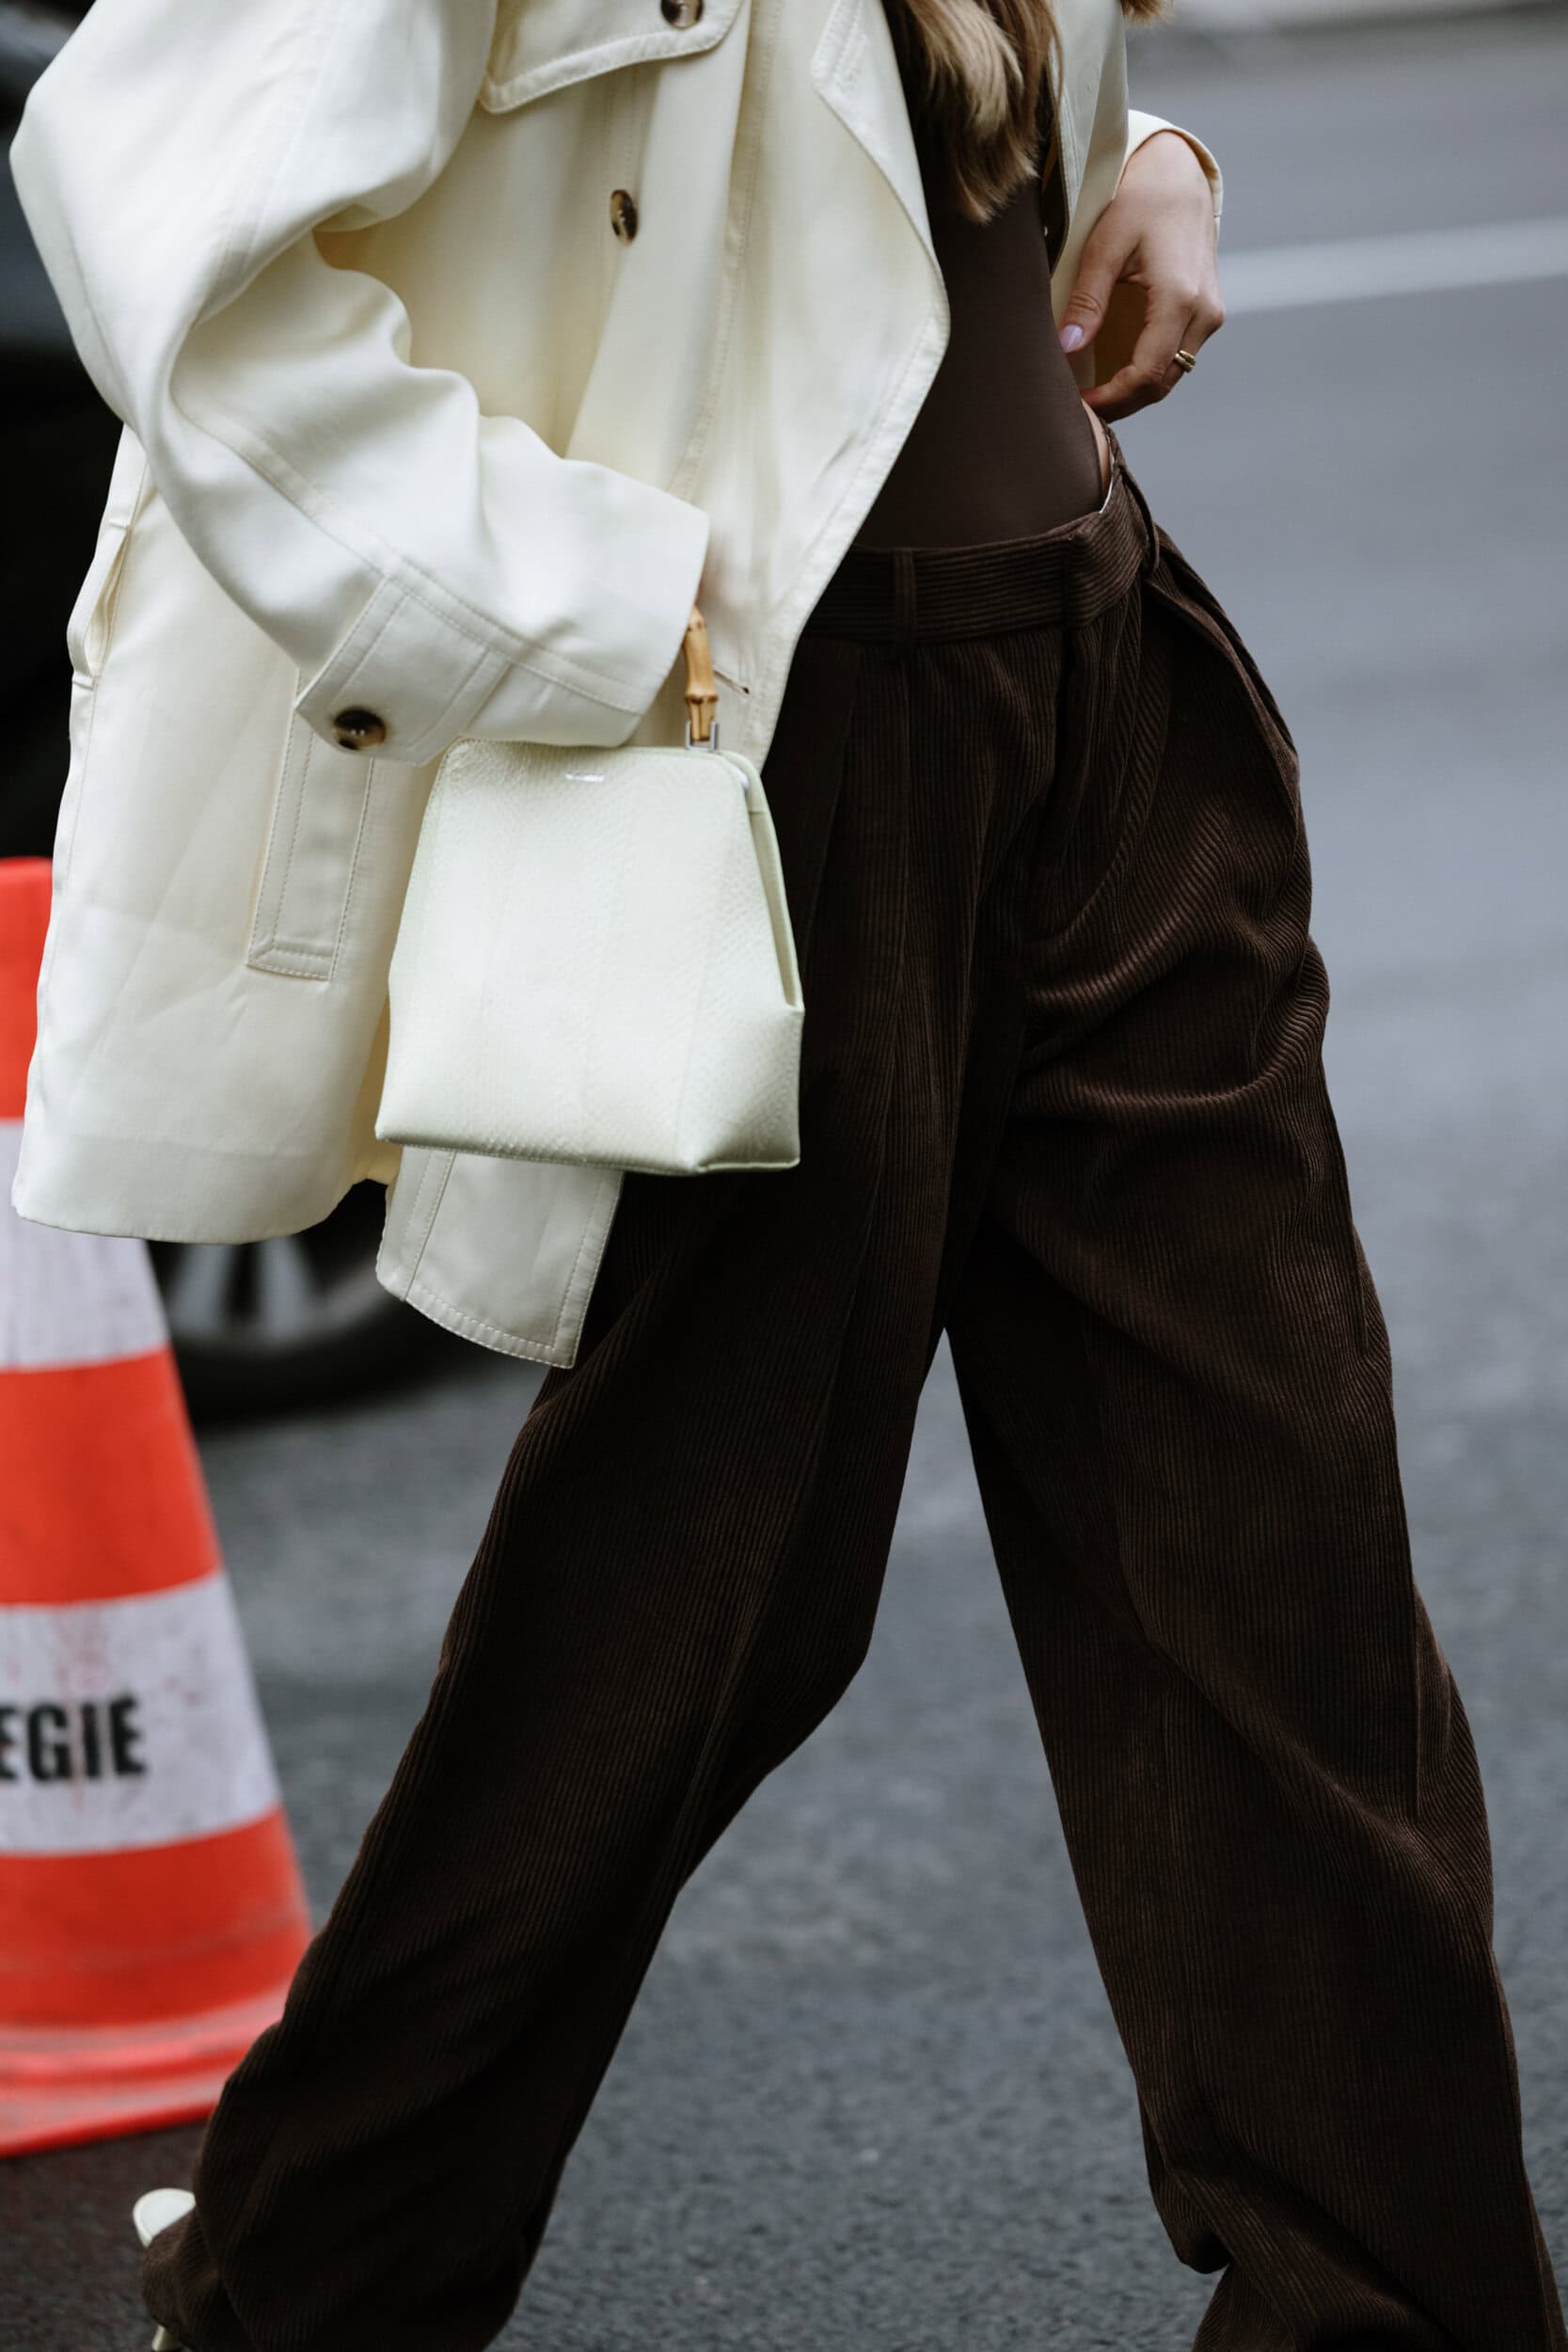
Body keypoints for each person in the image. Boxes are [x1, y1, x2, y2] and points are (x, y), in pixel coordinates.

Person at [8, 0, 1564, 2345]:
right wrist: (597, 607)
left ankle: (1396, 2301)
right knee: (686, 1596)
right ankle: (307, 2273)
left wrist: (1127, 153)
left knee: (1278, 1546)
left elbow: (933, 118)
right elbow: (158, 215)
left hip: (1104, 665)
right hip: (781, 745)